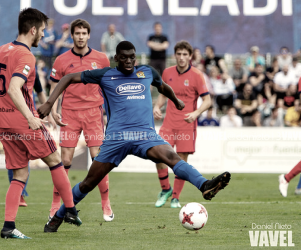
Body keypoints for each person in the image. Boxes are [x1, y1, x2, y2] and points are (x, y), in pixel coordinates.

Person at [38, 41, 231, 232]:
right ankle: (58, 216)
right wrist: (49, 103)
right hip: (116, 139)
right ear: (116, 58)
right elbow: (69, 78)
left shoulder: (146, 72)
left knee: (172, 157)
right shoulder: (106, 74)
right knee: (89, 182)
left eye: (132, 56)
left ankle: (204, 184)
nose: (129, 61)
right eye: (124, 57)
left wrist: (176, 100)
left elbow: (162, 87)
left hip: (145, 135)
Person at [0, 8, 80, 240]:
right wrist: (30, 117)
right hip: (22, 122)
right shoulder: (26, 56)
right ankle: (69, 209)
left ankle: (8, 227)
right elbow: (13, 88)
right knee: (56, 160)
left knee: (19, 174)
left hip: (3, 121)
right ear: (33, 30)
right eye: (43, 32)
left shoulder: (2, 50)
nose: (43, 36)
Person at [48, 19, 113, 222]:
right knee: (65, 160)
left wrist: (111, 112)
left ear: (89, 35)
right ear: (73, 35)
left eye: (84, 33)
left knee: (98, 159)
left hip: (94, 113)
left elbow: (108, 87)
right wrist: (53, 109)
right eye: (77, 33)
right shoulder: (61, 60)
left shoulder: (102, 59)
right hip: (69, 113)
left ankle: (106, 202)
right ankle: (56, 204)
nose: (81, 36)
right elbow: (55, 87)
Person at [0, 70, 56, 207]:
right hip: (14, 121)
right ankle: (20, 194)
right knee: (17, 159)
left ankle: (20, 195)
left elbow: (40, 91)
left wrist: (49, 113)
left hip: (28, 120)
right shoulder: (4, 75)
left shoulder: (29, 70)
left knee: (23, 158)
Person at [152, 40, 211, 208]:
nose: (182, 57)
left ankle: (175, 198)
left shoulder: (197, 75)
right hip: (168, 123)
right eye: (179, 54)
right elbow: (163, 94)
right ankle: (165, 189)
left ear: (190, 56)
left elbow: (207, 100)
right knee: (158, 155)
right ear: (174, 55)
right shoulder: (167, 73)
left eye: (185, 54)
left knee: (181, 162)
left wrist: (196, 113)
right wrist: (157, 106)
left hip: (187, 123)